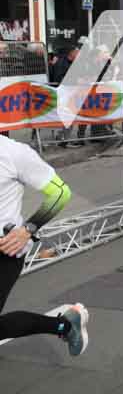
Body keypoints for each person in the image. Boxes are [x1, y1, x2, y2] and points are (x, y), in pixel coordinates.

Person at [0, 135, 88, 354]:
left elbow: (60, 193)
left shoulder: (14, 153)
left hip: (5, 252)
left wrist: (27, 229)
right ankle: (65, 325)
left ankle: (65, 326)